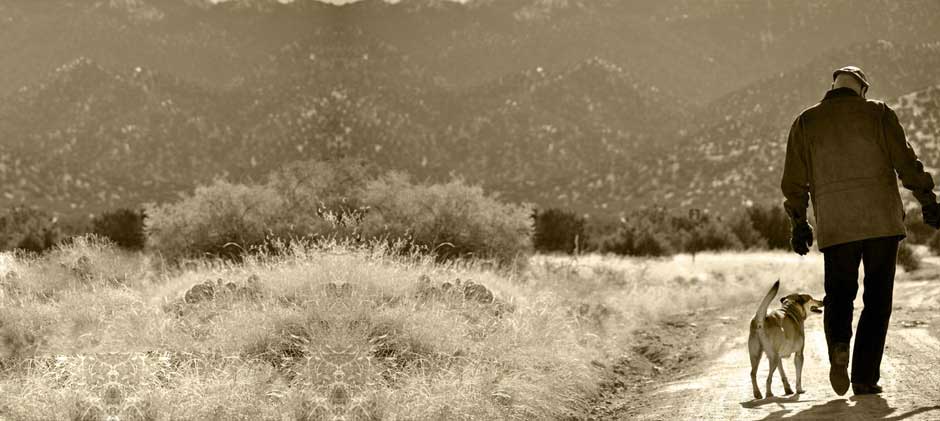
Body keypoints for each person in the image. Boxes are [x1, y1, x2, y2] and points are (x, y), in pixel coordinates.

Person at [780, 66, 940, 396]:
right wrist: (927, 198)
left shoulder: (806, 122)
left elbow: (794, 181)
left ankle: (840, 348)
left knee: (839, 296)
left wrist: (799, 222)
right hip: (881, 222)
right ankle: (865, 377)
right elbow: (906, 164)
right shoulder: (879, 113)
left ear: (833, 86)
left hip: (837, 226)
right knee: (877, 300)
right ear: (862, 89)